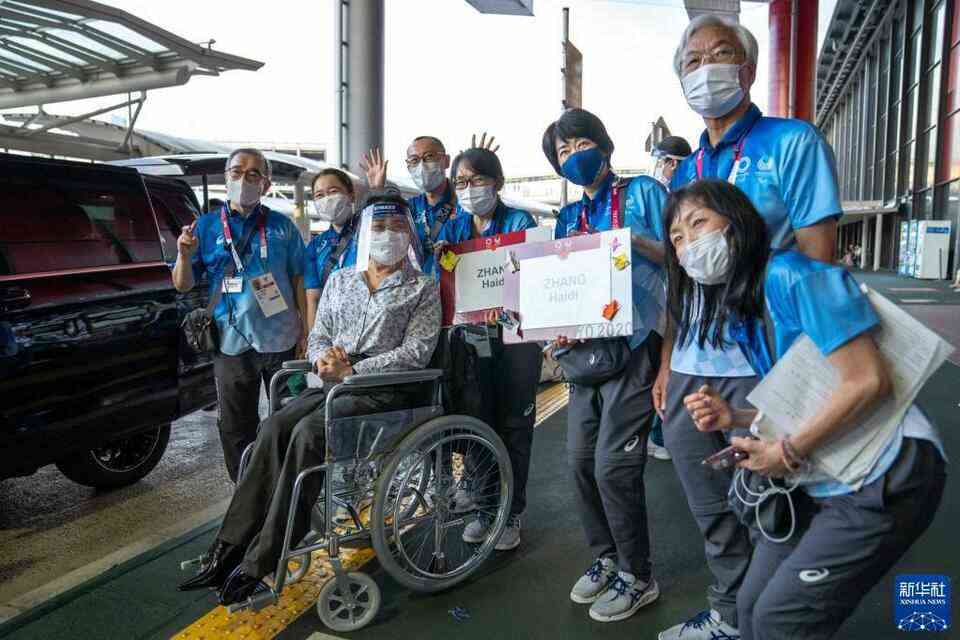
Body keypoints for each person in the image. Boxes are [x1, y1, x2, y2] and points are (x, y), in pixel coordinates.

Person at [665, 179, 946, 640]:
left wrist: (787, 452)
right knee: (751, 610)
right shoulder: (746, 308)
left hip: (886, 469)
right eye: (677, 237)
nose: (690, 244)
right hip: (830, 473)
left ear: (736, 225)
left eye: (699, 223)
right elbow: (804, 396)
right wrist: (730, 417)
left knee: (779, 619)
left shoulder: (794, 275)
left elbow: (868, 380)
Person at [656, 15, 842, 640]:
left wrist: (811, 374)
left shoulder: (794, 143)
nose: (705, 68)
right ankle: (730, 617)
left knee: (774, 502)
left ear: (750, 68)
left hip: (764, 364)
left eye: (722, 54)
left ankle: (778, 621)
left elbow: (819, 266)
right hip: (690, 367)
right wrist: (663, 365)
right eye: (692, 60)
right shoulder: (684, 172)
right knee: (710, 509)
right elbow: (681, 278)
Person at [178, 193, 441, 603]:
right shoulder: (341, 279)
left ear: (408, 233)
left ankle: (262, 557)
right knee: (272, 427)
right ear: (366, 234)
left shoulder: (422, 287)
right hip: (334, 381)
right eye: (379, 227)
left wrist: (354, 370)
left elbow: (417, 351)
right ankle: (227, 547)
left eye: (396, 227)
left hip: (384, 389)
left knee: (306, 435)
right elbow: (318, 334)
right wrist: (323, 358)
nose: (387, 235)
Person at [542, 108, 667, 623]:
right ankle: (606, 558)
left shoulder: (643, 195)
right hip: (584, 356)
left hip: (635, 347)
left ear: (604, 144)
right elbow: (562, 285)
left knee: (614, 467)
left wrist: (634, 244)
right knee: (578, 462)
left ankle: (638, 575)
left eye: (578, 144)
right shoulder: (569, 218)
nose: (573, 157)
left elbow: (678, 259)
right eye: (562, 153)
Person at [430, 147, 541, 552]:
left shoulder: (519, 222)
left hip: (515, 339)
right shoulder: (455, 229)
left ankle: (510, 513)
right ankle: (484, 506)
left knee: (514, 425)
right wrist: (441, 262)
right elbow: (445, 283)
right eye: (461, 182)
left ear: (497, 183)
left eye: (477, 180)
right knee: (476, 421)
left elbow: (533, 274)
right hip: (471, 341)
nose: (468, 189)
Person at [173, 148, 306, 482]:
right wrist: (184, 256)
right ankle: (244, 489)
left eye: (253, 174)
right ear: (226, 176)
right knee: (235, 426)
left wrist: (307, 331)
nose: (244, 180)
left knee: (290, 417)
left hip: (282, 340)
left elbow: (299, 278)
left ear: (265, 183)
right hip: (230, 344)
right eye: (236, 172)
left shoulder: (282, 227)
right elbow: (183, 285)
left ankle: (285, 487)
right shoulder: (204, 227)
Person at [303, 168, 359, 332]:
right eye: (319, 195)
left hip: (368, 328)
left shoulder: (370, 232)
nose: (327, 199)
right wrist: (313, 342)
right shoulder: (316, 245)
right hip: (331, 329)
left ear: (351, 194)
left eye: (333, 191)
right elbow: (313, 298)